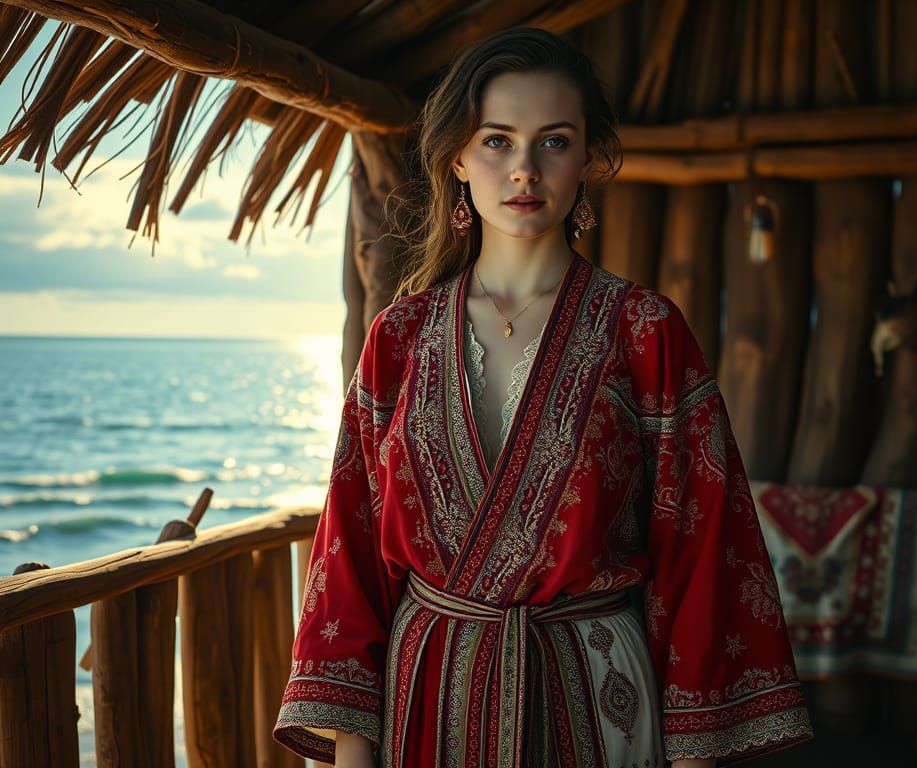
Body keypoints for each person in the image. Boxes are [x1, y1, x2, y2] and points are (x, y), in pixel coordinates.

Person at [273, 26, 813, 768]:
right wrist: (353, 755)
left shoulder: (644, 330)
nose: (524, 169)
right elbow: (349, 558)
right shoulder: (397, 339)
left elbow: (705, 550)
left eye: (553, 142)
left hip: (597, 699)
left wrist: (691, 754)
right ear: (457, 156)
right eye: (497, 141)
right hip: (426, 701)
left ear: (589, 158)